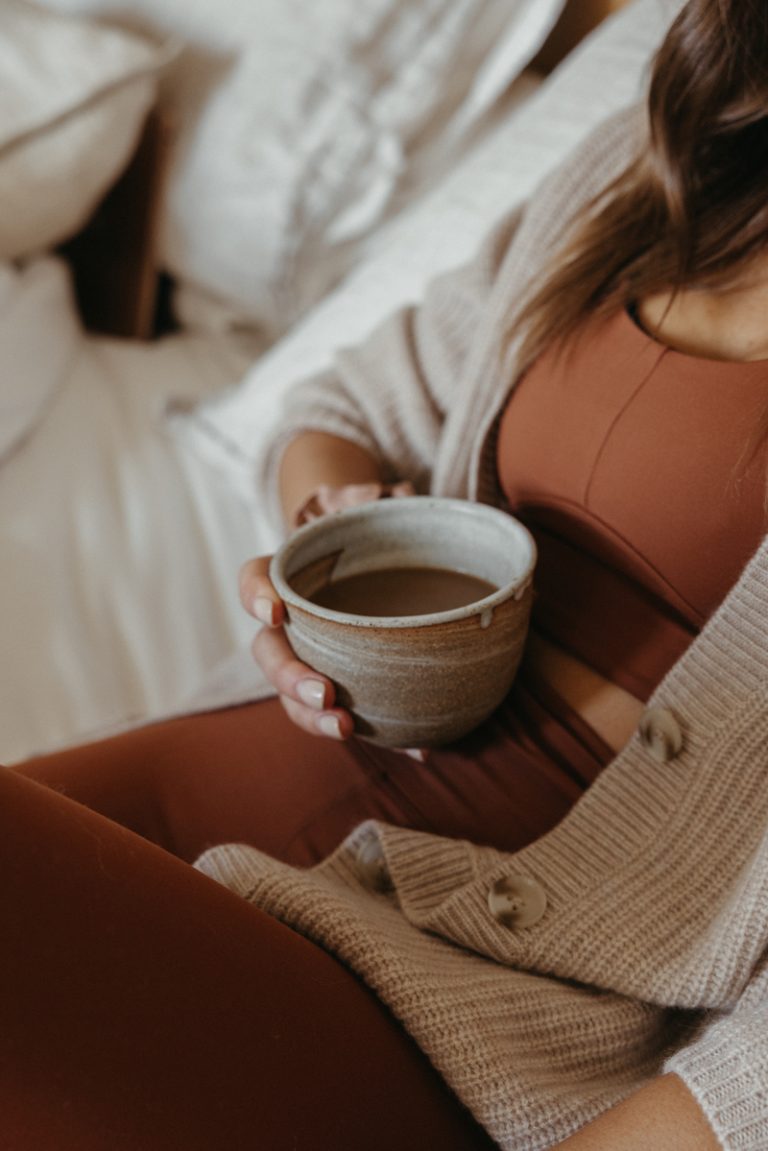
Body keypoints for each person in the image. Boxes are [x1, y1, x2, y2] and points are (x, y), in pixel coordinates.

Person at [4, 0, 768, 1146]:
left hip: (510, 964)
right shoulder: (652, 161)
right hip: (284, 750)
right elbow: (347, 403)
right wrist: (331, 547)